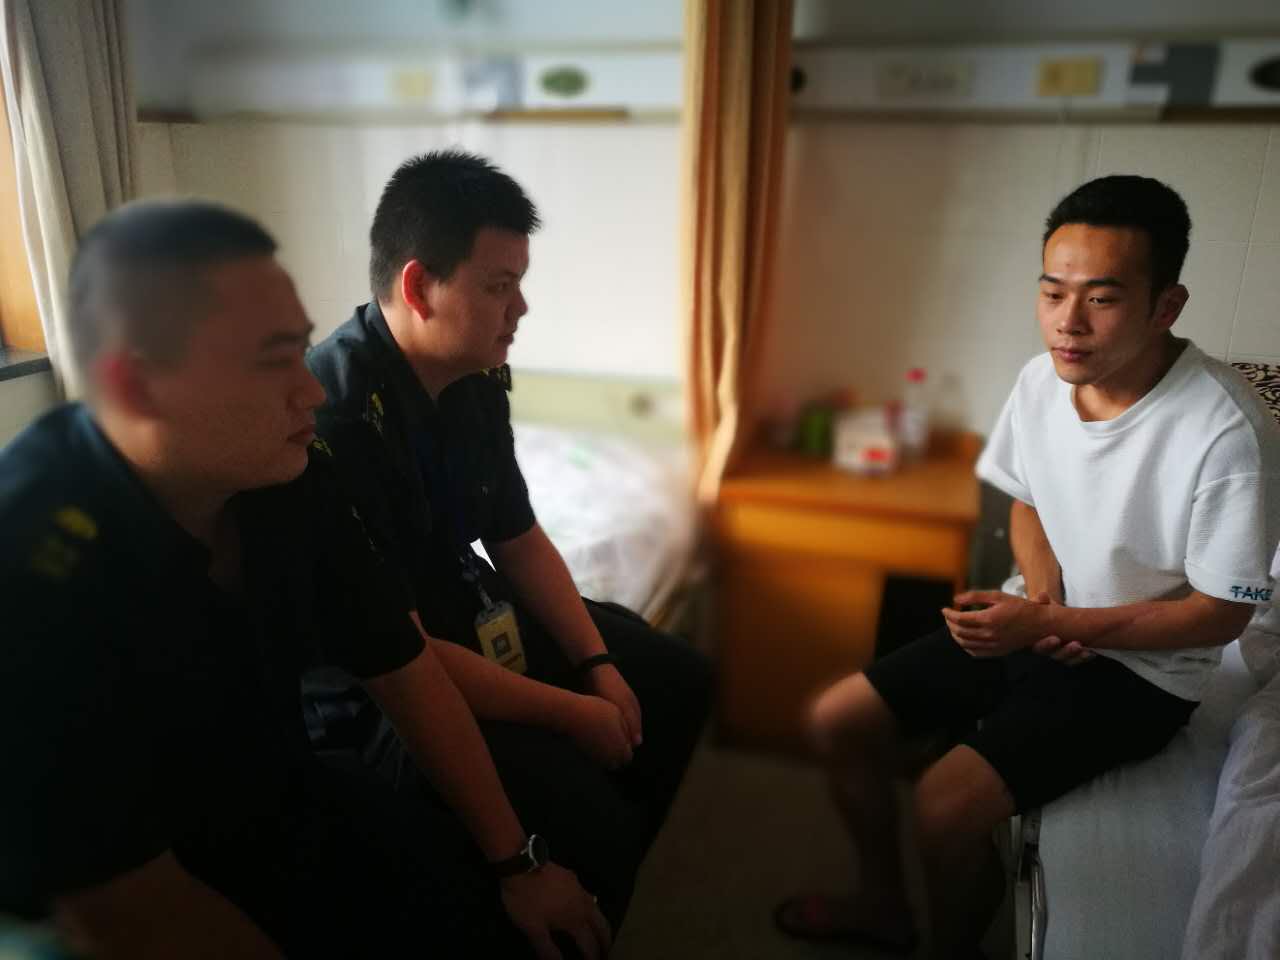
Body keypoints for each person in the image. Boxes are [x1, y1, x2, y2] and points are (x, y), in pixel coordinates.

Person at [0, 201, 611, 959]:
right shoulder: (35, 569)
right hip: (113, 879)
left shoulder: (287, 475)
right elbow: (126, 906)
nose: (312, 391)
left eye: (301, 349)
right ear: (137, 387)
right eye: (271, 362)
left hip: (271, 790)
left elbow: (405, 667)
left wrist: (518, 864)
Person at [775, 175, 1280, 959]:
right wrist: (1044, 600)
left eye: (1101, 299)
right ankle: (883, 906)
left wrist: (1057, 622)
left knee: (943, 806)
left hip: (1143, 674)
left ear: (1166, 306)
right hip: (1040, 618)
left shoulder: (1227, 432)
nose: (1067, 323)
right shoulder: (1043, 379)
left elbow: (1222, 614)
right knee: (837, 719)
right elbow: (1027, 500)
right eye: (1052, 293)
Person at [304, 149, 711, 929]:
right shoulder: (338, 420)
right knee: (595, 818)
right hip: (381, 684)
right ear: (419, 287)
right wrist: (570, 711)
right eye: (498, 286)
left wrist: (596, 666)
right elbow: (402, 654)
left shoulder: (477, 376)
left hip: (463, 611)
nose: (520, 308)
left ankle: (596, 890)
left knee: (677, 683)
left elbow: (516, 534)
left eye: (520, 282)